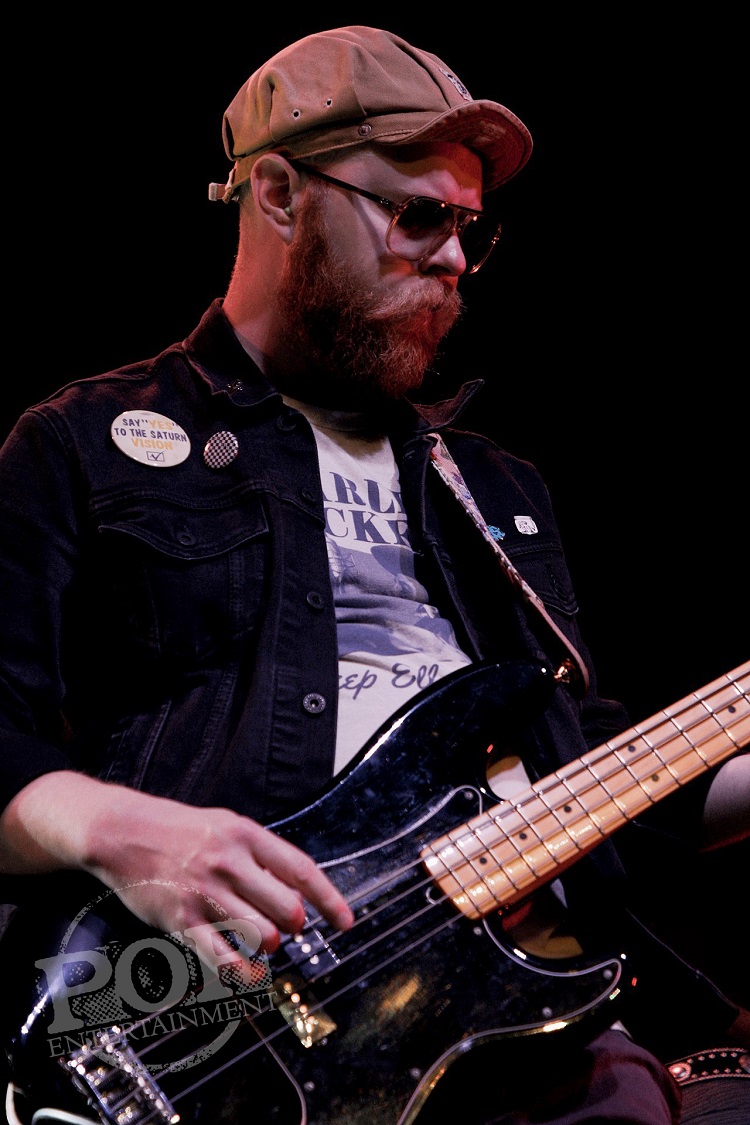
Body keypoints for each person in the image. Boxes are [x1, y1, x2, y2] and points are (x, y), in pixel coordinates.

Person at [0, 24, 748, 1125]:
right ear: (278, 194)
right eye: (416, 216)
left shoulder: (497, 488)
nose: (454, 258)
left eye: (469, 229)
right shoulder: (85, 444)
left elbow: (590, 772)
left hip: (518, 1012)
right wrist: (118, 829)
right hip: (204, 1019)